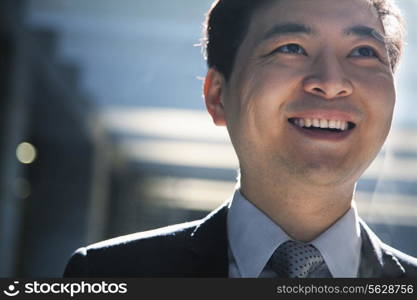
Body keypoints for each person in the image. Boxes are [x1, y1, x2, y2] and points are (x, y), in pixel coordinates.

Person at [64, 0, 417, 278]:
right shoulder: (107, 275)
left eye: (363, 52)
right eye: (291, 47)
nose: (330, 81)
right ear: (218, 96)